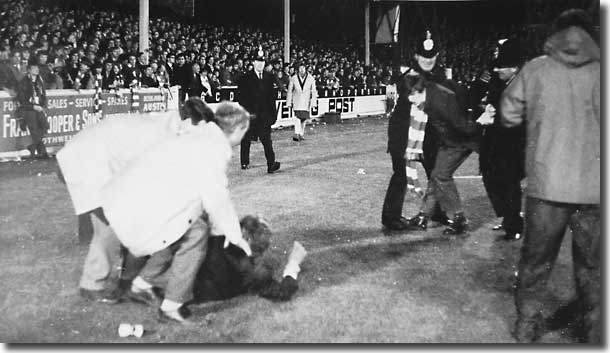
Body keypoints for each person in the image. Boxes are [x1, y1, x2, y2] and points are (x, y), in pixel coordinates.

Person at [101, 102, 253, 324]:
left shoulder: (205, 133)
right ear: (239, 129)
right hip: (151, 196)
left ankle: (142, 284)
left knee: (183, 231)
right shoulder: (216, 147)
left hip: (146, 190)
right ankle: (172, 305)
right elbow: (216, 198)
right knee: (196, 235)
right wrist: (235, 236)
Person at [500, 9, 600, 343]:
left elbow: (508, 114)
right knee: (594, 266)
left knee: (536, 260)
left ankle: (527, 325)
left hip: (546, 184)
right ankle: (596, 329)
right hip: (596, 189)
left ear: (555, 34)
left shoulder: (536, 69)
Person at [56, 98, 215, 304]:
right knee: (112, 227)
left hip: (102, 161)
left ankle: (125, 282)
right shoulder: (163, 135)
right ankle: (95, 284)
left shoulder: (172, 125)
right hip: (86, 161)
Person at [405, 31, 479, 235]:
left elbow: (462, 126)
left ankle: (459, 218)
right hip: (447, 141)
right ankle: (424, 215)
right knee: (437, 175)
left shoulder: (440, 99)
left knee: (440, 175)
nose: (411, 100)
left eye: (414, 96)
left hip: (461, 141)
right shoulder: (425, 94)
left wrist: (481, 123)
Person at [381, 30, 452, 231]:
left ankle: (437, 211)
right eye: (424, 56)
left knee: (435, 173)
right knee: (401, 175)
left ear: (436, 56)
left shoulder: (439, 75)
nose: (428, 60)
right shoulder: (409, 76)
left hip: (428, 135)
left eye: (431, 56)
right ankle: (391, 217)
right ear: (416, 56)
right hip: (404, 134)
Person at [474, 39, 526, 242]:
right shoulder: (498, 79)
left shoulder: (523, 85)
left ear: (514, 67)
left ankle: (514, 224)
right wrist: (484, 108)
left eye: (502, 66)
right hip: (494, 140)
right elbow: (480, 93)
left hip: (512, 142)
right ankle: (507, 216)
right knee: (490, 177)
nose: (497, 69)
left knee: (509, 181)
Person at [238, 48, 281, 173]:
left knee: (267, 140)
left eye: (262, 62)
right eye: (258, 61)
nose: (260, 64)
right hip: (250, 115)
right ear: (253, 63)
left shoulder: (269, 77)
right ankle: (244, 161)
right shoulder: (245, 78)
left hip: (264, 116)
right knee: (246, 139)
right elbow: (240, 98)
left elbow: (272, 98)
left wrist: (273, 116)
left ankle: (271, 164)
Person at [16, 62, 48, 159]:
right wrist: (33, 106)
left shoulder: (39, 81)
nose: (36, 70)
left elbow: (43, 95)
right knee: (34, 129)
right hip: (29, 109)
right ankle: (40, 151)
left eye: (37, 68)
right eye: (34, 68)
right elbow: (22, 100)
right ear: (29, 70)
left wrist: (43, 106)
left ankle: (32, 147)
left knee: (45, 126)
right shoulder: (24, 82)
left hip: (39, 107)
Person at [286, 61, 317, 142]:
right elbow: (289, 91)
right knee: (297, 117)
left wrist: (314, 102)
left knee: (304, 118)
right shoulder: (293, 78)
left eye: (303, 68)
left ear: (306, 69)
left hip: (306, 101)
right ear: (298, 69)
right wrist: (289, 102)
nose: (302, 69)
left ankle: (301, 134)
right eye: (300, 68)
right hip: (297, 100)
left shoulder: (311, 78)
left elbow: (314, 91)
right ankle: (296, 133)